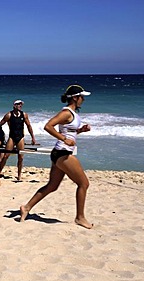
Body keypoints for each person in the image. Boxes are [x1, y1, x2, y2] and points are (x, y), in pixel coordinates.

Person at [20, 84, 93, 229]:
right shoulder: (66, 113)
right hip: (63, 153)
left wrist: (80, 131)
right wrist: (64, 139)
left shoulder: (72, 114)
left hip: (59, 153)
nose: (83, 100)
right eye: (81, 97)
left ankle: (26, 207)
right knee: (84, 183)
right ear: (75, 98)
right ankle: (80, 217)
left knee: (52, 186)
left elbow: (69, 133)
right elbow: (48, 126)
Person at [0, 99, 36, 181]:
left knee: (21, 157)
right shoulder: (9, 115)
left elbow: (29, 126)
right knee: (6, 156)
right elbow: (0, 124)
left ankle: (19, 175)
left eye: (21, 104)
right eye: (18, 104)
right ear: (14, 105)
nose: (20, 106)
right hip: (12, 137)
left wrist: (33, 137)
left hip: (20, 137)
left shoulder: (24, 115)